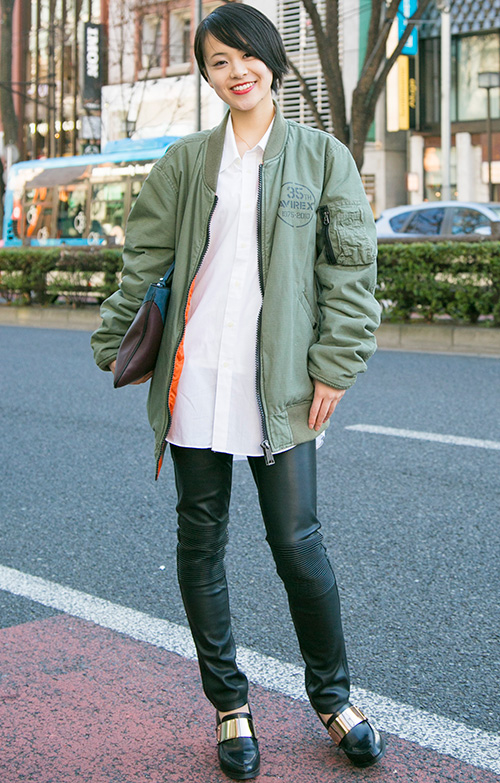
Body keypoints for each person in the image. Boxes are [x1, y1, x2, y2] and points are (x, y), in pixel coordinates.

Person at [91, 4, 384, 779]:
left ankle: (333, 697)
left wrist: (336, 363)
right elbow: (143, 258)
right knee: (201, 542)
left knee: (298, 543)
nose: (236, 71)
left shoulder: (322, 157)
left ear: (271, 60)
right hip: (196, 378)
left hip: (279, 386)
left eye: (245, 55)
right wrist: (115, 337)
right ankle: (229, 705)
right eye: (218, 61)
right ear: (207, 75)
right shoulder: (187, 161)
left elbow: (351, 270)